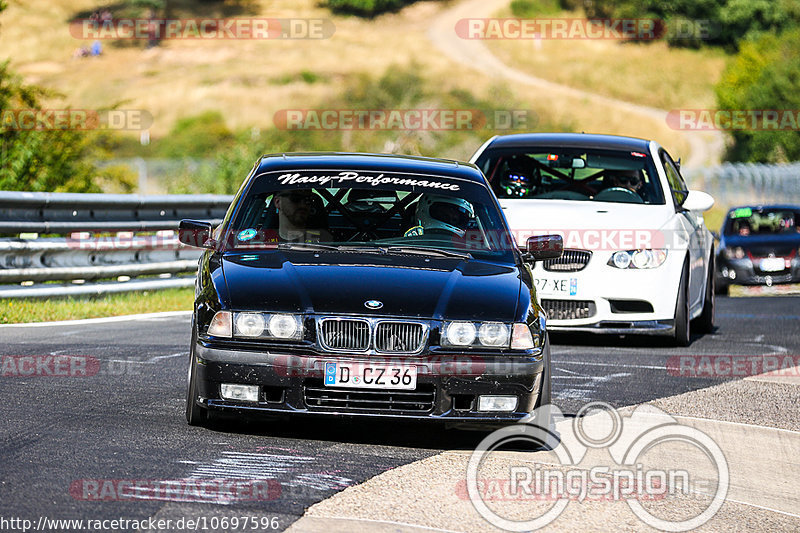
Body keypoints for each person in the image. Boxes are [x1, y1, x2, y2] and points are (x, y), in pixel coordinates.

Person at [409, 194, 474, 238]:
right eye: (448, 210)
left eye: (458, 214)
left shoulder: (469, 248)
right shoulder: (410, 240)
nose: (453, 216)